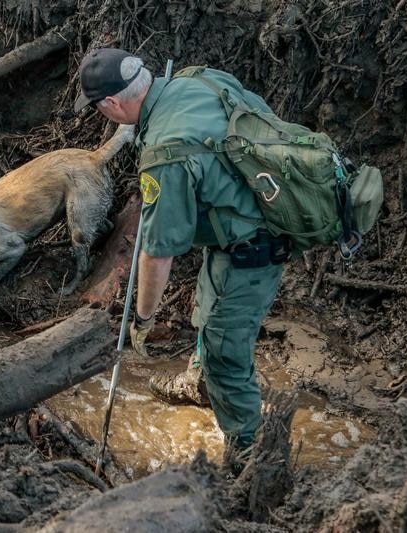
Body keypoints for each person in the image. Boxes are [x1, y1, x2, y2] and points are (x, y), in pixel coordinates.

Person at [74, 48, 288, 451]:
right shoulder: (197, 79)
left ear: (113, 104)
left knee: (227, 352)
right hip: (239, 222)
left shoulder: (165, 154)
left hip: (258, 243)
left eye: (98, 108)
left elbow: (157, 253)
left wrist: (143, 316)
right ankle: (200, 382)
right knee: (207, 306)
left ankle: (251, 454)